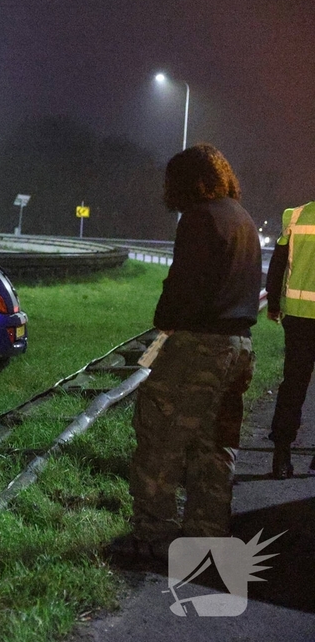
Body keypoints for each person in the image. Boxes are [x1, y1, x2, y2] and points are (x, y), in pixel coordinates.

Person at [122, 144, 261, 559]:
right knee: (214, 445)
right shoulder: (243, 218)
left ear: (188, 182)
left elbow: (182, 288)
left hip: (199, 346)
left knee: (159, 439)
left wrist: (164, 317)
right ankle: (207, 534)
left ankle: (153, 538)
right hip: (240, 347)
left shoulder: (199, 219)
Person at [265, 200, 315, 479]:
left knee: (293, 385)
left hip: (297, 317)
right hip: (299, 318)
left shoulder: (294, 216)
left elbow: (278, 263)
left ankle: (281, 457)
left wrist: (274, 303)